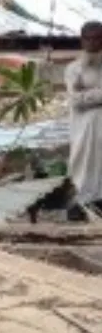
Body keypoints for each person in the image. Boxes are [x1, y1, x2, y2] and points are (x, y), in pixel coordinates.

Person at [64, 20, 102, 219]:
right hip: (83, 130)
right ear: (82, 41)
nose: (93, 44)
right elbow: (76, 100)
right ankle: (81, 202)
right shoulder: (74, 69)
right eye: (89, 39)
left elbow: (84, 96)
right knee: (83, 165)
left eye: (97, 39)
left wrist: (90, 94)